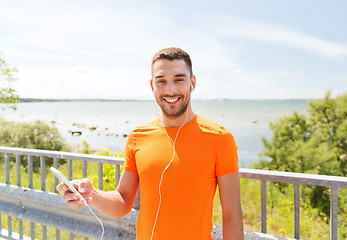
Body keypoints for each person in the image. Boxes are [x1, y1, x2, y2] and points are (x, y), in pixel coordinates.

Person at [57, 47, 244, 240]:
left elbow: (231, 214)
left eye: (179, 79)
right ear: (152, 85)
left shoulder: (219, 138)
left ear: (192, 83)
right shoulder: (137, 137)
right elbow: (123, 202)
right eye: (161, 81)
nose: (170, 90)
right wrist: (92, 195)